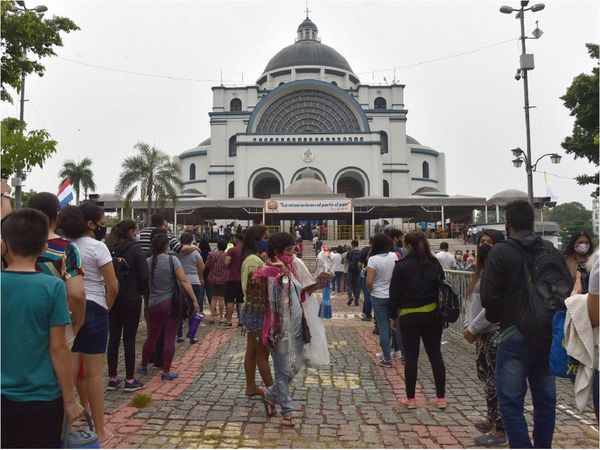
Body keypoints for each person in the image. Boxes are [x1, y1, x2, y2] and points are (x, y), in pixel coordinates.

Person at [481, 200, 570, 448]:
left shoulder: (500, 251)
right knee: (545, 402)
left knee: (510, 403)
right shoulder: (551, 250)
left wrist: (505, 316)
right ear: (531, 221)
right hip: (547, 333)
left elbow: (489, 298)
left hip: (513, 334)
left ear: (508, 222)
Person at [1, 209, 84, 448]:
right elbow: (58, 348)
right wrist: (69, 400)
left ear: (4, 245)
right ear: (43, 248)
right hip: (42, 397)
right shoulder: (52, 287)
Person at [59, 203, 118, 443]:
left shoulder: (64, 246)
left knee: (69, 375)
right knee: (93, 374)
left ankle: (63, 431)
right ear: (90, 224)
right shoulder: (98, 247)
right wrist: (107, 306)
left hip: (68, 309)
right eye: (102, 222)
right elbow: (112, 285)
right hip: (94, 307)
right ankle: (101, 431)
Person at [261, 232, 318, 427]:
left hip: (297, 326)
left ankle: (271, 394)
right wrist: (281, 272)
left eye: (294, 250)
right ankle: (288, 411)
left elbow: (300, 292)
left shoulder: (288, 268)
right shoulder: (267, 271)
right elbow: (273, 297)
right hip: (278, 330)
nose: (292, 254)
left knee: (297, 364)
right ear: (276, 252)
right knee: (282, 371)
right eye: (288, 250)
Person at [389, 231, 447, 409]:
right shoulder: (434, 263)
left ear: (407, 246)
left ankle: (411, 399)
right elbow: (442, 285)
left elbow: (394, 294)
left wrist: (393, 316)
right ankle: (441, 398)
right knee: (435, 355)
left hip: (409, 316)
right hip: (433, 315)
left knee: (411, 357)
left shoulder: (401, 266)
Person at [463, 230, 507, 446]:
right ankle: (492, 420)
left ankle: (500, 429)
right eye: (482, 242)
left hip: (493, 332)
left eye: (490, 242)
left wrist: (472, 328)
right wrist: (467, 325)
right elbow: (471, 301)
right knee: (487, 381)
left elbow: (493, 307)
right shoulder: (479, 271)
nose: (485, 246)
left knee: (495, 383)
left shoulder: (498, 272)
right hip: (480, 333)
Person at [139, 232, 200, 381]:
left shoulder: (147, 262)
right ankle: (166, 372)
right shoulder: (173, 260)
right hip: (170, 303)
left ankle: (143, 366)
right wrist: (194, 300)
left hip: (153, 303)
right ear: (167, 245)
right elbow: (184, 281)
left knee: (152, 337)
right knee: (169, 337)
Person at [29, 192, 86, 342]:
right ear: (58, 216)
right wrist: (78, 322)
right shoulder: (66, 248)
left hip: (18, 320)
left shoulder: (12, 247)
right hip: (57, 323)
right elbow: (77, 294)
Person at [104, 220, 149, 392]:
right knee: (129, 339)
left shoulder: (108, 247)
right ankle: (130, 379)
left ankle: (112, 378)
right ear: (131, 232)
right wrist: (144, 292)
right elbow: (144, 275)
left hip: (113, 296)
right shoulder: (136, 249)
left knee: (113, 338)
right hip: (132, 298)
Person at [240, 226, 274, 397]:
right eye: (265, 238)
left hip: (253, 309)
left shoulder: (254, 258)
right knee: (262, 352)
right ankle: (275, 393)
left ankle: (251, 386)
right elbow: (256, 288)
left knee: (252, 351)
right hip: (256, 310)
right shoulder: (253, 260)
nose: (267, 242)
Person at [366, 233, 402, 368]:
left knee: (383, 327)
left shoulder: (373, 259)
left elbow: (369, 281)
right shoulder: (395, 256)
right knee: (397, 325)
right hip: (394, 295)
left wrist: (372, 290)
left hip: (378, 296)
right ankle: (402, 354)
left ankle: (386, 358)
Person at [175, 232, 205, 343]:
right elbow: (202, 267)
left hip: (179, 283)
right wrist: (201, 277)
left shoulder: (175, 253)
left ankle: (179, 335)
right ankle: (191, 335)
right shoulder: (196, 253)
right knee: (193, 309)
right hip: (194, 282)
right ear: (191, 241)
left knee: (179, 309)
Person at [205, 239, 229, 324]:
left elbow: (207, 265)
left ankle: (212, 316)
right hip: (223, 278)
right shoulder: (227, 255)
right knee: (222, 299)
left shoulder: (211, 255)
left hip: (212, 278)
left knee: (213, 298)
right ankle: (221, 317)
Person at [224, 233, 244, 327]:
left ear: (236, 239)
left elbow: (227, 262)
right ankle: (241, 321)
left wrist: (229, 267)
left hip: (232, 278)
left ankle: (228, 321)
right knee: (240, 300)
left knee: (229, 300)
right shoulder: (245, 251)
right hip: (242, 278)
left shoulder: (232, 250)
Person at [346, 239, 362, 306]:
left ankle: (350, 296)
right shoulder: (360, 252)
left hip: (350, 270)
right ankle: (356, 300)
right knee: (357, 286)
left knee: (349, 285)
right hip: (358, 271)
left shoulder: (349, 252)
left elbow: (347, 262)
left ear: (352, 245)